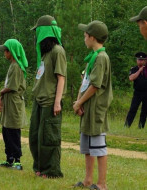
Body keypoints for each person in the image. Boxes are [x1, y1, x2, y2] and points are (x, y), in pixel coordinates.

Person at [73, 20, 112, 190]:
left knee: (98, 147)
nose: (84, 38)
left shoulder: (102, 58)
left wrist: (80, 102)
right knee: (88, 147)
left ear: (93, 37)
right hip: (86, 108)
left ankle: (101, 184)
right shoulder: (92, 58)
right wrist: (78, 101)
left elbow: (95, 85)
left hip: (96, 109)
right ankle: (88, 180)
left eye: (85, 35)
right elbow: (86, 82)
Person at [29, 15, 66, 178]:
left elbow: (61, 78)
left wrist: (57, 102)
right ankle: (40, 167)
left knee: (49, 138)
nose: (36, 35)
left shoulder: (58, 51)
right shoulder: (45, 53)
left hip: (50, 101)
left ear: (44, 32)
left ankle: (51, 171)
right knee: (36, 136)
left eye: (37, 31)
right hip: (39, 100)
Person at [0, 39, 27, 170]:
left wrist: (1, 92)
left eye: (6, 50)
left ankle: (17, 161)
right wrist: (1, 98)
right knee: (6, 130)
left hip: (14, 103)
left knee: (13, 131)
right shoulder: (12, 65)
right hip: (8, 101)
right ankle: (9, 159)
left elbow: (12, 86)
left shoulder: (17, 66)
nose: (5, 53)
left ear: (12, 52)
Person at [124, 52, 147, 129]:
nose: (140, 61)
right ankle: (127, 125)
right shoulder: (134, 69)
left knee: (144, 111)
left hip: (146, 92)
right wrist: (139, 71)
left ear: (145, 61)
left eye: (142, 60)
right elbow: (131, 78)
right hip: (137, 92)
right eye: (139, 60)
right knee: (133, 109)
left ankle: (141, 127)